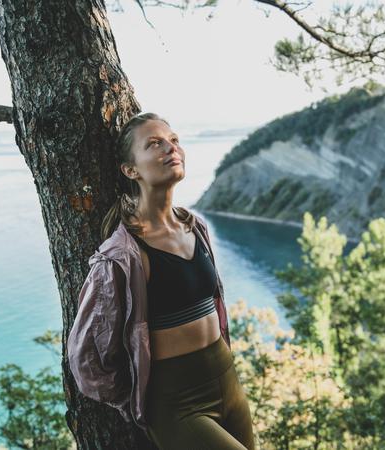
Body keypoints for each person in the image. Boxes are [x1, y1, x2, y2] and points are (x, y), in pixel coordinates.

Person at [67, 112, 255, 450]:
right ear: (131, 169)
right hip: (176, 402)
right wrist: (138, 400)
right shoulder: (121, 255)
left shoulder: (195, 227)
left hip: (227, 379)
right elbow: (86, 359)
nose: (171, 148)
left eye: (174, 141)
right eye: (155, 144)